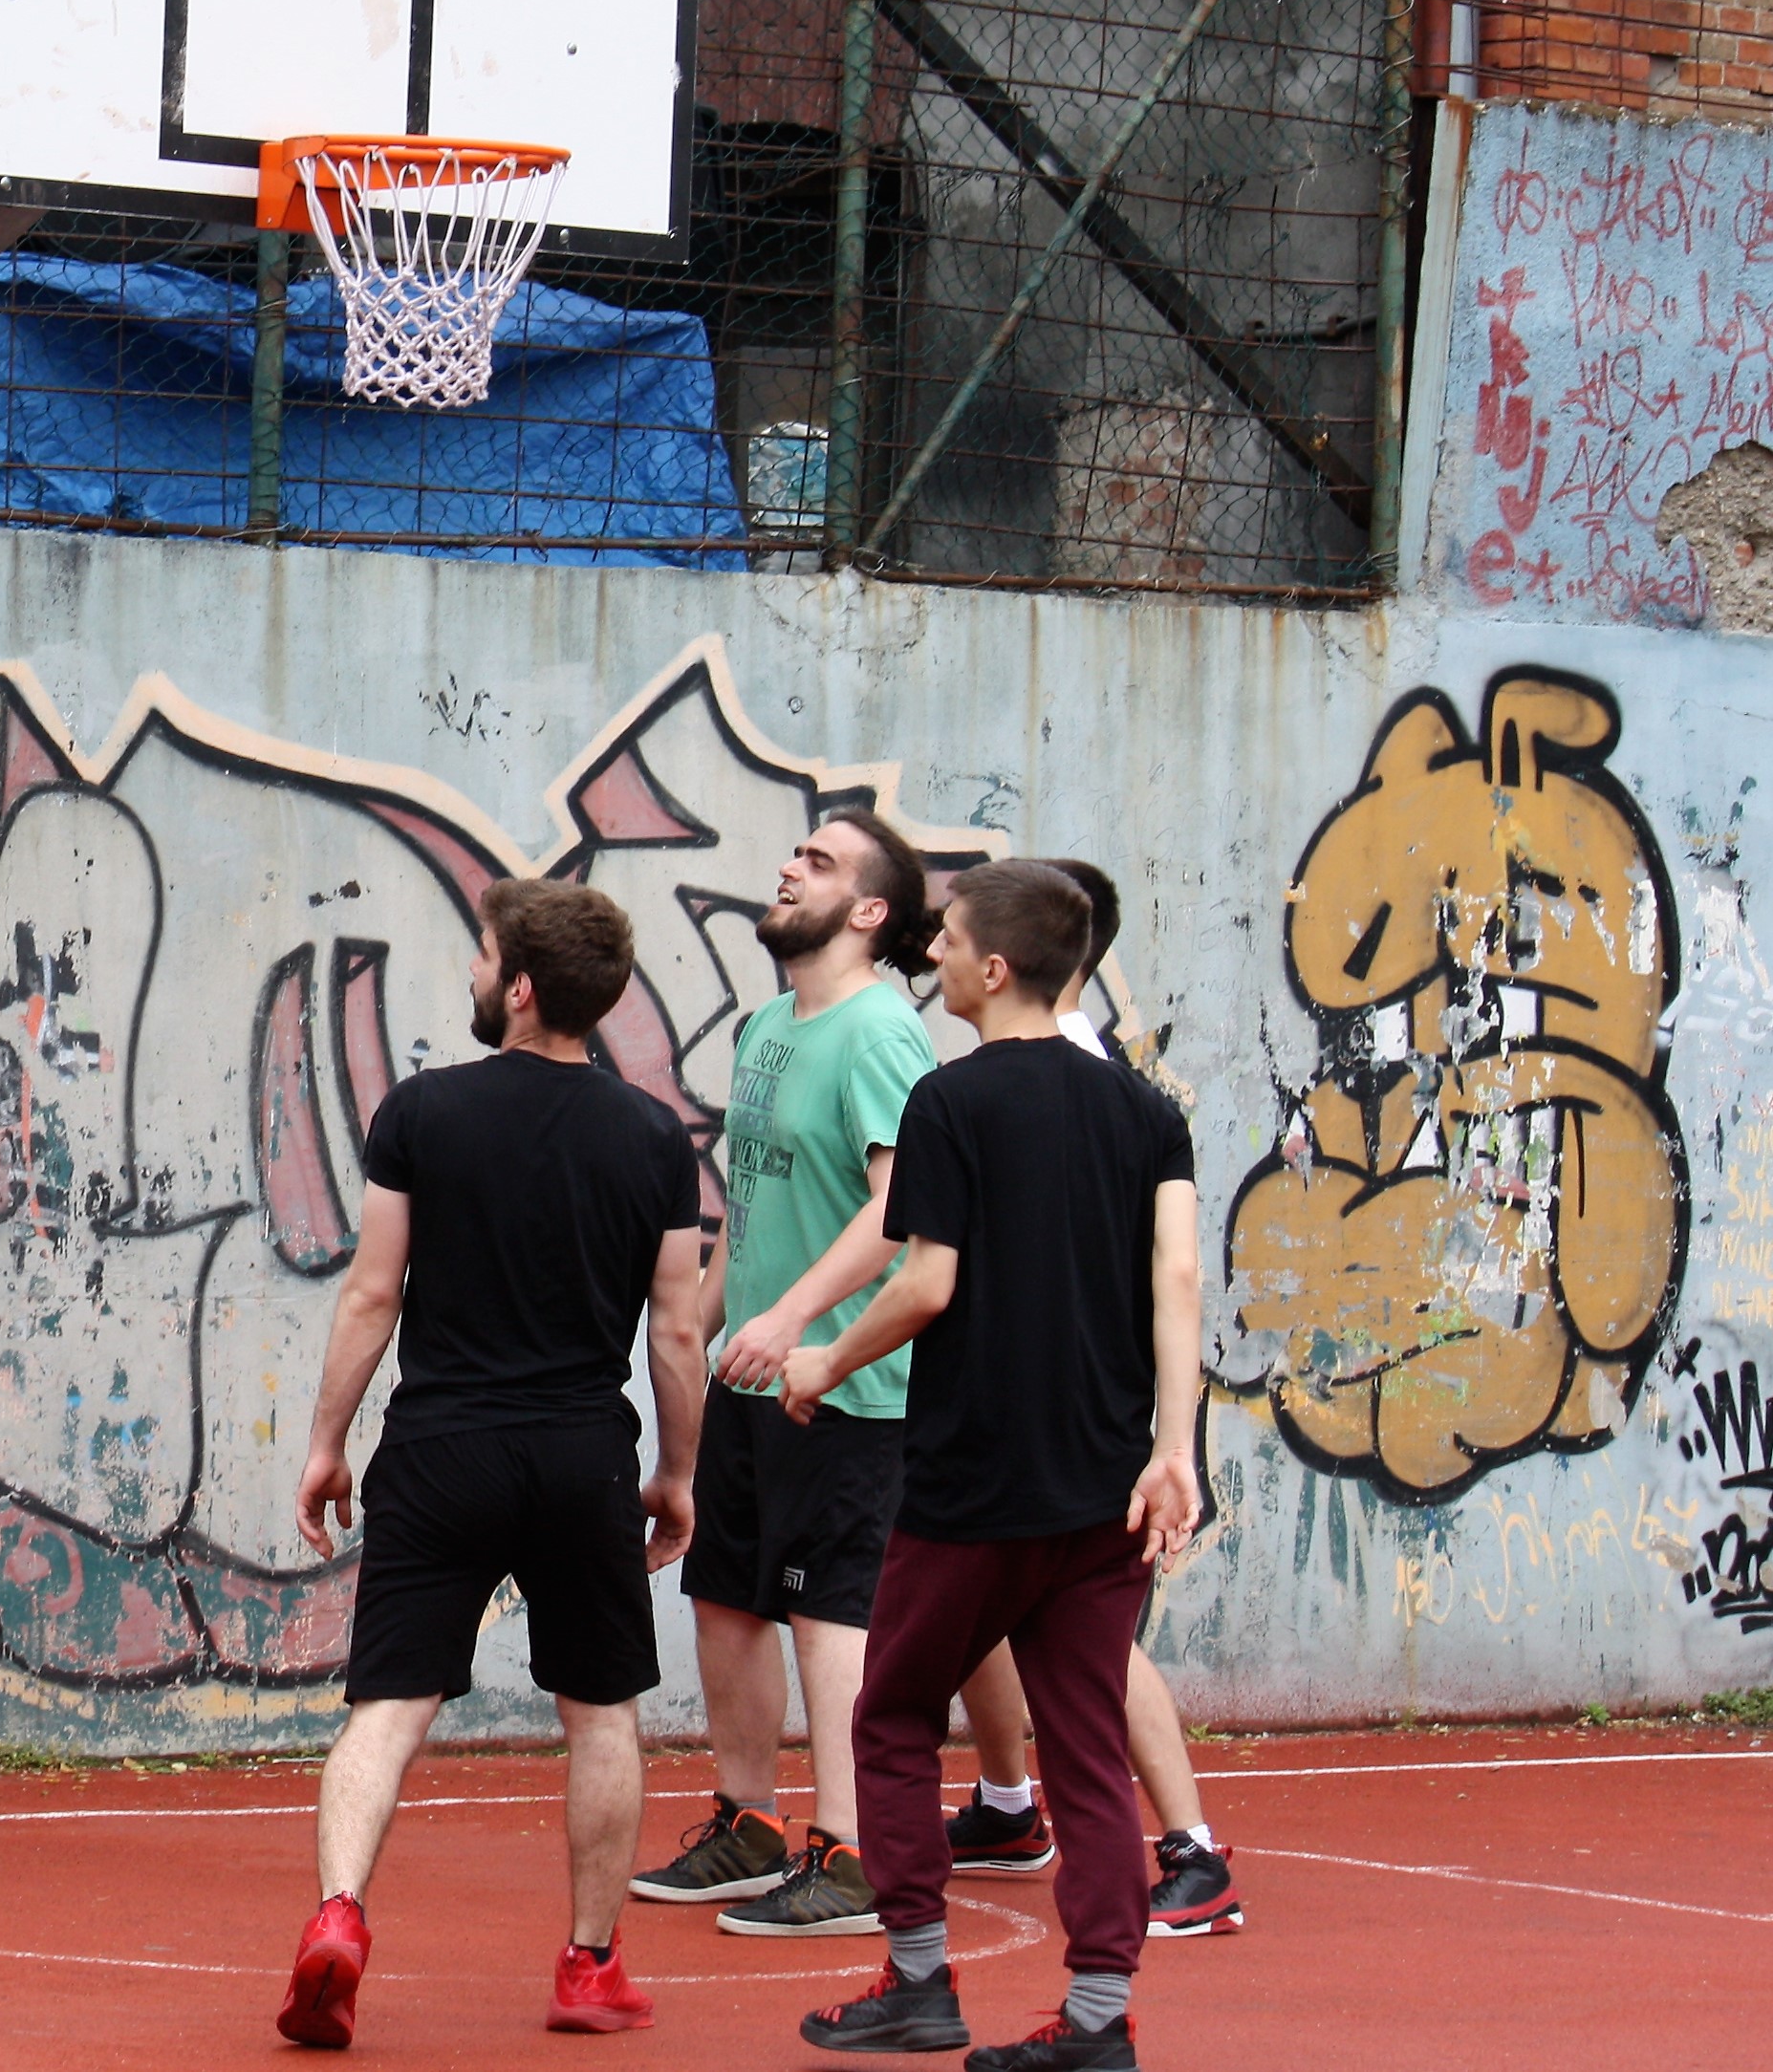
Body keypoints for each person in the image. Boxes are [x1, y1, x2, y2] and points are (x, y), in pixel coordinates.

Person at [780, 861, 1202, 2072]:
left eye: (952, 941)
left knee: (891, 1717)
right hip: (1101, 1486)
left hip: (972, 1485)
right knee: (1086, 1744)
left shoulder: (949, 1101)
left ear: (997, 967)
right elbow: (1176, 1277)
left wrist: (823, 1359)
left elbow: (926, 1280)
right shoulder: (1145, 1110)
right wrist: (1172, 1449)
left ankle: (918, 1980)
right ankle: (1097, 2020)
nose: (936, 956)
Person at [278, 879, 707, 2048]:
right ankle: (588, 1965)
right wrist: (677, 1474)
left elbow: (372, 1293)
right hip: (581, 1455)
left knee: (387, 1706)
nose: (471, 972)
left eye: (480, 956)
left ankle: (338, 1914)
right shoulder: (654, 1138)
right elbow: (677, 1331)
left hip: (440, 1450)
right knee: (602, 1714)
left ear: (518, 987)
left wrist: (325, 1443)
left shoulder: (422, 1112)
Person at [630, 812, 938, 1939]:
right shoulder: (766, 1024)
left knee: (829, 1614)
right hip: (752, 1377)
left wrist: (796, 1318)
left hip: (842, 1382)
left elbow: (901, 1210)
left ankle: (853, 1855)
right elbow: (754, 1205)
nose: (787, 867)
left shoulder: (881, 1033)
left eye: (817, 861)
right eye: (793, 852)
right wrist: (694, 1324)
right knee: (724, 1597)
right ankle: (749, 1824)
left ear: (869, 910)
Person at [943, 864, 1243, 1940]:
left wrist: (1170, 1440)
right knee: (981, 1605)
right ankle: (1006, 1801)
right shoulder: (1019, 1070)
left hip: (1067, 1419)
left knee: (1091, 1645)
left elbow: (1169, 1274)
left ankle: (1191, 1847)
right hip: (1004, 1410)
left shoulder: (1082, 1084)